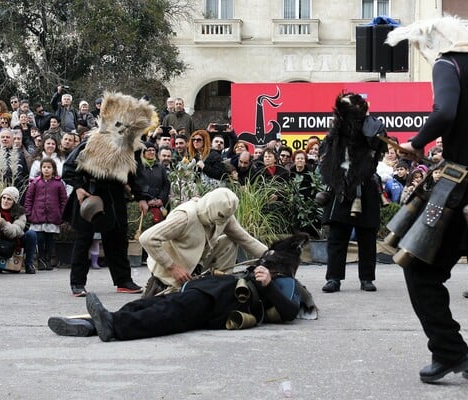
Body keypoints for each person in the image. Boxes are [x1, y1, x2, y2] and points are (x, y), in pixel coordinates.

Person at [386, 16, 468, 384]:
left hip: (462, 186)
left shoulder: (449, 62)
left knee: (418, 269)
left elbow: (444, 113)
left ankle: (448, 350)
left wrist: (416, 143)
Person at [48, 233, 314, 340]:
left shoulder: (286, 280)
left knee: (172, 311)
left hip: (225, 303)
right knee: (152, 303)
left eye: (271, 258)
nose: (265, 260)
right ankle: (96, 325)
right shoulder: (258, 265)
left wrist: (267, 285)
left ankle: (115, 327)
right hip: (212, 290)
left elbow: (290, 312)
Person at [62, 92, 151, 297]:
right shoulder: (92, 142)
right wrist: (78, 187)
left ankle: (123, 281)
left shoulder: (133, 147)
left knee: (118, 240)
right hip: (89, 195)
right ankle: (77, 283)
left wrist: (142, 197)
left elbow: (136, 175)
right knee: (83, 241)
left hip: (115, 195)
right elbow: (68, 168)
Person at [140, 187, 268, 294]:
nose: (222, 223)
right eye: (220, 219)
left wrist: (274, 257)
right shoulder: (185, 216)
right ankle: (161, 286)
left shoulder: (224, 213)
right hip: (173, 272)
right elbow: (147, 238)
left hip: (197, 266)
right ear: (211, 208)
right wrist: (172, 267)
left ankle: (220, 288)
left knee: (229, 241)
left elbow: (245, 239)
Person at [319, 92, 387, 294]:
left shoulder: (372, 126)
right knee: (337, 235)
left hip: (365, 185)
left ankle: (367, 278)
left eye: (348, 106)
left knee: (367, 236)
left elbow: (379, 144)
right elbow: (327, 152)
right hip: (341, 186)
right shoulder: (336, 130)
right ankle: (333, 278)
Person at [25, 158, 68, 271]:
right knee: (39, 239)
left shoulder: (58, 184)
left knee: (49, 240)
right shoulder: (35, 183)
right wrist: (29, 213)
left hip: (53, 217)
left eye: (49, 167)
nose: (46, 169)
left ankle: (48, 260)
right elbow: (29, 198)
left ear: (53, 169)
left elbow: (63, 200)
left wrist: (62, 214)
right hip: (37, 216)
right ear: (41, 169)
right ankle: (41, 260)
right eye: (44, 167)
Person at [0, 187, 38, 274]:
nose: (5, 201)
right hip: (0, 242)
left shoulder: (20, 213)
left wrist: (1, 221)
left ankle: (29, 264)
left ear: (14, 202)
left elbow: (13, 233)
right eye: (4, 197)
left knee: (31, 234)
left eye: (9, 199)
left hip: (15, 241)